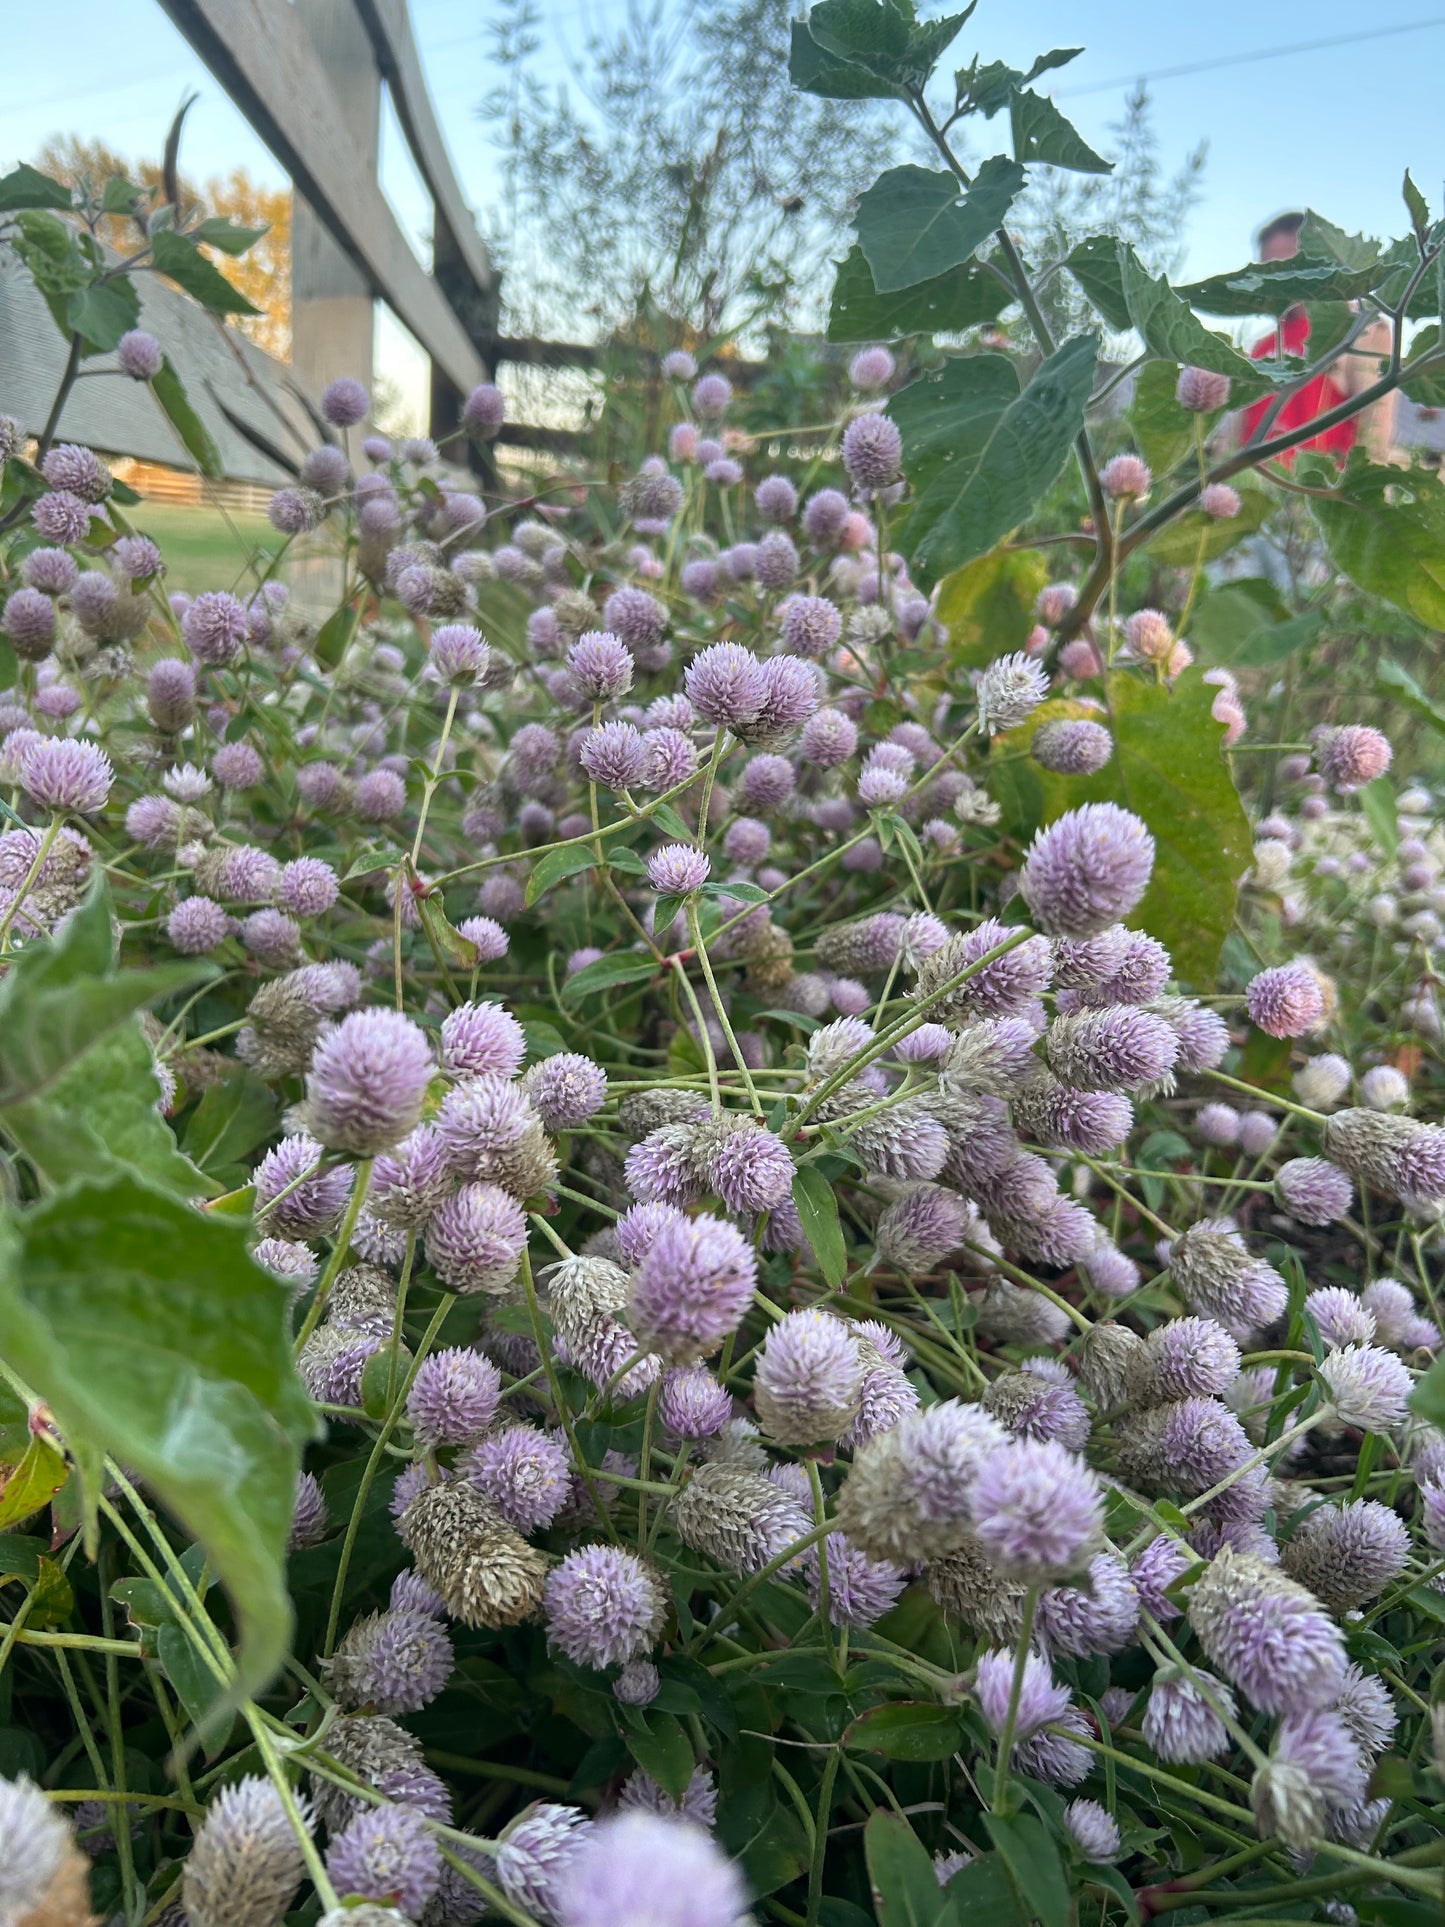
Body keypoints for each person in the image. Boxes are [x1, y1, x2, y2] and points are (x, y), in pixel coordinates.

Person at [1239, 211, 1396, 462]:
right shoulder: (1262, 346)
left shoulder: (1358, 330)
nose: (1271, 282)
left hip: (1315, 488)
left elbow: (1374, 423)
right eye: (1264, 271)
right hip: (1255, 488)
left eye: (1281, 267)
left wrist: (1353, 491)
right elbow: (1239, 426)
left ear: (1313, 262)